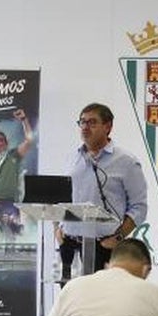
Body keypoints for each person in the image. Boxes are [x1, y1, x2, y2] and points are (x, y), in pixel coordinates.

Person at [57, 103, 147, 278]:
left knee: (100, 295)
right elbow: (61, 198)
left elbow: (139, 207)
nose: (85, 127)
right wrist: (58, 229)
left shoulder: (126, 161)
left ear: (108, 126)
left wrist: (118, 238)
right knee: (71, 295)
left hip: (104, 246)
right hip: (69, 245)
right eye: (82, 122)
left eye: (92, 122)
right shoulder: (72, 157)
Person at [0, 109, 35, 207]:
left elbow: (29, 140)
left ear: (6, 144)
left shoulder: (13, 154)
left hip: (8, 203)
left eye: (0, 140)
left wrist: (24, 120)